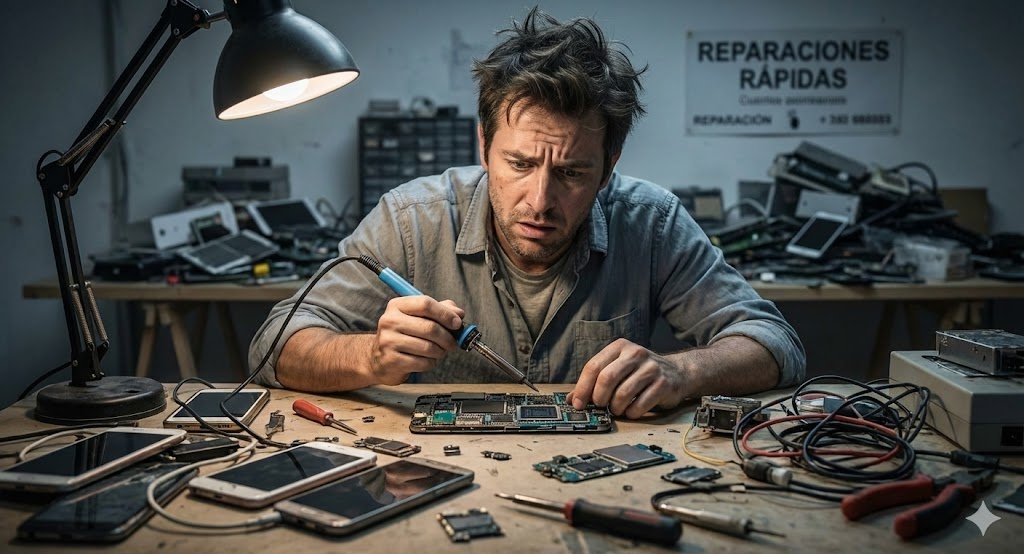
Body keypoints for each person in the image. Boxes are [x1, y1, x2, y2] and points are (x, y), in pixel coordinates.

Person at [249, 8, 805, 418]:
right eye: (518, 163)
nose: (539, 201)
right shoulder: (412, 220)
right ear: (483, 145)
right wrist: (370, 356)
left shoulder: (651, 222)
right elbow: (276, 345)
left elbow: (775, 342)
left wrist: (681, 371)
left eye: (571, 173)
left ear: (609, 166)